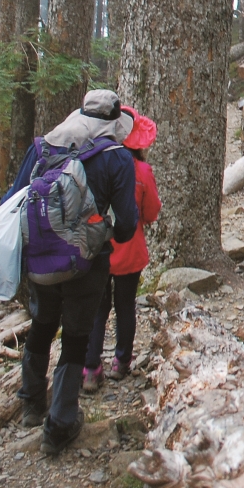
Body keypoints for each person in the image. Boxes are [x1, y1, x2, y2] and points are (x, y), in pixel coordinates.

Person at [7, 89, 138, 455]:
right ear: (114, 124)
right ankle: (61, 423)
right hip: (87, 262)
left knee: (42, 324)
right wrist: (105, 231)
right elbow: (127, 224)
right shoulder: (116, 157)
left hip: (39, 260)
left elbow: (13, 199)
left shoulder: (44, 147)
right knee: (76, 335)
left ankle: (31, 402)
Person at [82, 107, 160, 392]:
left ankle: (90, 368)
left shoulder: (93, 164)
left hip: (97, 247)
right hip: (130, 248)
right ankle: (121, 361)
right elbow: (151, 211)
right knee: (125, 306)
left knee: (97, 309)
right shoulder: (142, 171)